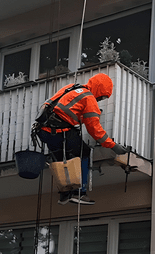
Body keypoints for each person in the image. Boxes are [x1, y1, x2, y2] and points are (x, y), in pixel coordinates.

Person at [36, 73, 130, 205]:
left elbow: (55, 106)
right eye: (102, 96)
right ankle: (79, 193)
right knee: (84, 153)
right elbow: (95, 130)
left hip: (44, 131)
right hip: (59, 132)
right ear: (99, 89)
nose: (100, 100)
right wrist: (113, 145)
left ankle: (65, 194)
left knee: (62, 161)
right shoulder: (89, 99)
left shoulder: (72, 88)